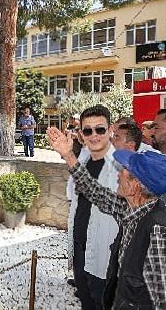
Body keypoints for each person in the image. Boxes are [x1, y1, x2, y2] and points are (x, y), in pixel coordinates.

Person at [47, 127, 166, 309]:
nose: (119, 173)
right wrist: (68, 155)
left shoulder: (158, 230)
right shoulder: (131, 210)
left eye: (124, 170)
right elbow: (94, 191)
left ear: (135, 185)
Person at [65, 105, 120, 310]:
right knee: (86, 302)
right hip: (80, 246)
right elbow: (74, 195)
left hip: (104, 253)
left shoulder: (120, 166)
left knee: (102, 303)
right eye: (88, 130)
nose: (94, 135)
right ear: (81, 133)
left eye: (100, 129)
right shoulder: (84, 156)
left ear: (111, 129)